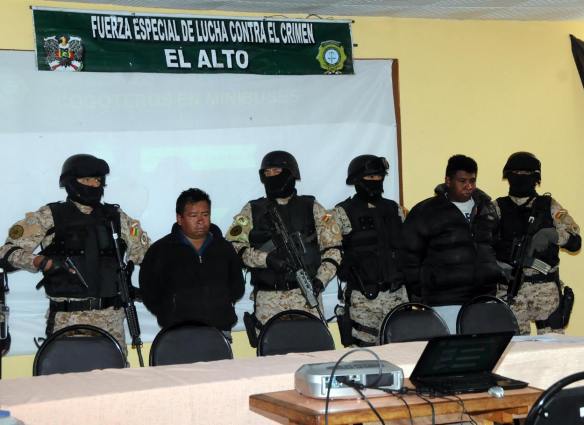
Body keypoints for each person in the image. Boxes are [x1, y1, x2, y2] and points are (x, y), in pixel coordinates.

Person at [0, 154, 150, 351]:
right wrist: (40, 262)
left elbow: (147, 255)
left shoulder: (116, 217)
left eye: (98, 180)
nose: (94, 184)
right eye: (87, 179)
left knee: (113, 372)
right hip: (67, 321)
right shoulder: (49, 216)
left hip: (111, 323)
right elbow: (7, 252)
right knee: (67, 371)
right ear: (70, 182)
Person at [226, 151, 342, 340]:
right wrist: (266, 259)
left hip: (306, 297)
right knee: (272, 353)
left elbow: (334, 249)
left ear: (291, 174)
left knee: (313, 348)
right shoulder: (252, 209)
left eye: (277, 171)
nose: (271, 176)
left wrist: (321, 280)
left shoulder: (313, 207)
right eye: (267, 172)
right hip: (268, 300)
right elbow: (234, 246)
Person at [400, 155, 501, 331]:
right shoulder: (426, 211)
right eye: (462, 181)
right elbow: (409, 257)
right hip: (444, 303)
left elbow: (496, 248)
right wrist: (420, 297)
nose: (469, 186)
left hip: (484, 300)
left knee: (483, 348)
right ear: (448, 181)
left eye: (472, 180)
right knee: (451, 348)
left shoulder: (487, 209)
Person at [493, 152, 581, 335]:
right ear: (508, 176)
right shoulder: (496, 208)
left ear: (535, 177)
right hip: (510, 292)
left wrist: (552, 235)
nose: (520, 177)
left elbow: (575, 242)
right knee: (514, 348)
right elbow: (482, 244)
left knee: (553, 347)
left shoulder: (549, 205)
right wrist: (498, 266)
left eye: (526, 173)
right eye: (516, 173)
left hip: (545, 293)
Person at [139, 188, 245, 338]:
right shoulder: (161, 250)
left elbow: (237, 287)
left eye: (205, 214)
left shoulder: (224, 248)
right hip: (177, 333)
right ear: (180, 218)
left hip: (220, 330)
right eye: (193, 215)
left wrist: (222, 303)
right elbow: (149, 291)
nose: (200, 220)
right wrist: (169, 313)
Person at [333, 155, 408, 346]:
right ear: (357, 180)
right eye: (369, 177)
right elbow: (330, 251)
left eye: (379, 176)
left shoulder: (395, 209)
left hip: (397, 296)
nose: (375, 181)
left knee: (401, 352)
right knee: (363, 353)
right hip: (364, 299)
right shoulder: (342, 212)